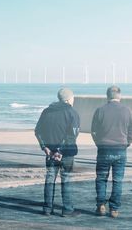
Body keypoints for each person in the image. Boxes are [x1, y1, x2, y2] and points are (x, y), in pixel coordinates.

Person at [35, 88, 80, 217]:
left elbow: (38, 131)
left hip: (50, 153)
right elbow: (72, 135)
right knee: (66, 179)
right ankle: (67, 210)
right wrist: (60, 151)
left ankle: (47, 209)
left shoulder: (46, 111)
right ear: (68, 99)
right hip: (66, 153)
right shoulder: (72, 113)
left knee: (50, 179)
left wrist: (45, 147)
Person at [91, 86, 132, 218]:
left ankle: (101, 206)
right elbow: (131, 133)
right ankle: (114, 209)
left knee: (101, 178)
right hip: (120, 150)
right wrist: (126, 143)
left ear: (107, 96)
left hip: (104, 149)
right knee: (117, 180)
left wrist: (99, 143)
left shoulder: (100, 110)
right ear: (119, 96)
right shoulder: (128, 111)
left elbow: (94, 131)